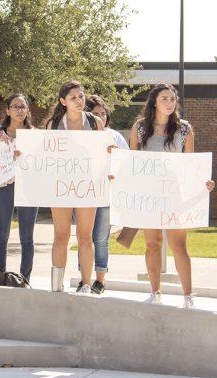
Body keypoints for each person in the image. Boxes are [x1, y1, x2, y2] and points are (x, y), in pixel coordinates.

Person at [129, 83, 215, 309]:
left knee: (179, 245)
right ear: (154, 102)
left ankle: (188, 296)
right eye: (164, 99)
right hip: (149, 196)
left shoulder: (184, 129)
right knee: (152, 243)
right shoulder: (139, 128)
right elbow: (131, 163)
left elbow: (190, 165)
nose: (169, 103)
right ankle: (155, 291)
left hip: (175, 195)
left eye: (173, 99)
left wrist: (203, 182)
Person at [46, 80, 104, 293]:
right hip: (61, 186)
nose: (79, 101)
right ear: (63, 101)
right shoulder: (53, 124)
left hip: (87, 185)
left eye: (81, 96)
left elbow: (102, 152)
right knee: (60, 235)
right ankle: (56, 284)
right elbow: (45, 155)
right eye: (73, 98)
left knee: (85, 236)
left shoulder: (95, 122)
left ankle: (86, 284)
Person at [0, 94, 38, 281]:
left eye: (22, 107)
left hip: (28, 189)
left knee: (27, 236)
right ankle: (0, 275)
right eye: (15, 106)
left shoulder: (34, 134)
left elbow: (40, 164)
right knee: (1, 234)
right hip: (2, 187)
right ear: (7, 110)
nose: (19, 110)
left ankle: (25, 278)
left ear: (27, 110)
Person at [84, 94, 129, 294]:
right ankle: (84, 278)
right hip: (83, 193)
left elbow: (128, 162)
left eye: (103, 113)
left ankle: (100, 280)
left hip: (106, 193)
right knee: (84, 237)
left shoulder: (115, 136)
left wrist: (116, 153)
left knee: (101, 238)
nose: (100, 117)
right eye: (96, 114)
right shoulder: (81, 134)